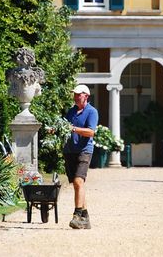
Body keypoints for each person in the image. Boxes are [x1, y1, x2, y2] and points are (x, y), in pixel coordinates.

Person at [64, 84, 99, 229]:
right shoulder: (71, 111)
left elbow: (91, 132)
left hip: (84, 150)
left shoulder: (92, 112)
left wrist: (74, 129)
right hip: (69, 151)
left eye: (79, 94)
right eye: (75, 94)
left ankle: (77, 215)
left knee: (79, 182)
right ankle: (86, 218)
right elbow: (65, 127)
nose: (76, 97)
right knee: (77, 185)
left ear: (86, 96)